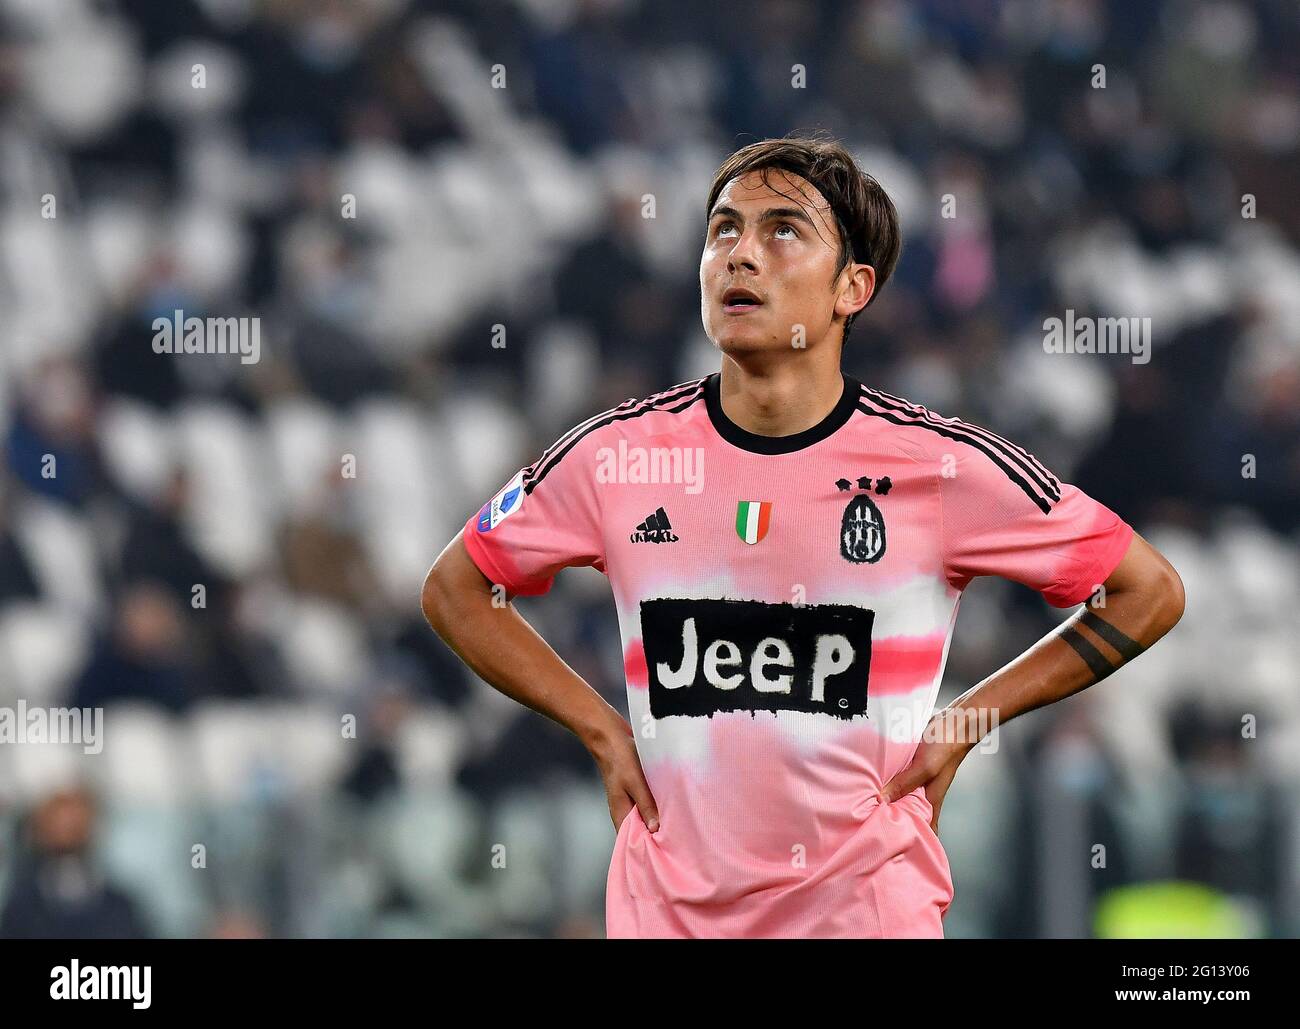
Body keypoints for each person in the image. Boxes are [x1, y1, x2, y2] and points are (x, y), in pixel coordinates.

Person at [421, 135, 1186, 938]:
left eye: (783, 230)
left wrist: (969, 720)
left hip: (864, 914)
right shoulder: (619, 455)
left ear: (851, 287)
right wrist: (599, 726)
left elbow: (1147, 591)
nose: (740, 255)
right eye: (722, 230)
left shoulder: (938, 466)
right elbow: (457, 588)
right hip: (666, 917)